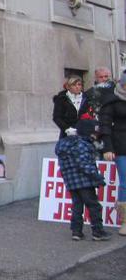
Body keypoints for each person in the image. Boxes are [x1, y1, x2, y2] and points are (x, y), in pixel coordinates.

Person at [56, 116, 110, 241]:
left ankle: (76, 231)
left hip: (71, 182)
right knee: (93, 206)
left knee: (77, 206)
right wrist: (97, 177)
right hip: (85, 182)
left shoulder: (64, 145)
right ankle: (98, 231)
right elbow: (84, 165)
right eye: (94, 133)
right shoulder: (82, 145)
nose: (95, 136)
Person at [99, 70, 126, 236]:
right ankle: (125, 220)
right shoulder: (112, 100)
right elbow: (105, 125)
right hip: (121, 145)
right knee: (125, 183)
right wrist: (107, 148)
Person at [52, 75, 91, 141]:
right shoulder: (62, 99)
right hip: (67, 133)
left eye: (79, 85)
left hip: (84, 132)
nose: (77, 87)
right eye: (74, 85)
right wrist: (67, 129)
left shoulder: (87, 98)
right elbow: (57, 117)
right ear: (68, 87)